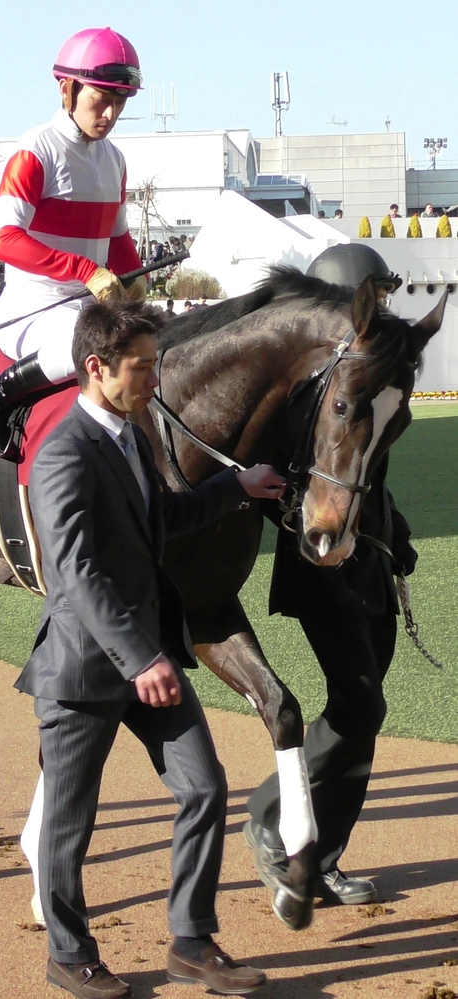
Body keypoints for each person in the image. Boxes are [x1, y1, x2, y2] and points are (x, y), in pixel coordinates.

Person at [20, 299, 286, 998]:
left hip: (149, 658)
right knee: (69, 822)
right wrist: (140, 658)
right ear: (96, 366)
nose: (152, 379)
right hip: (86, 667)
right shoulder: (62, 452)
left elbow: (163, 516)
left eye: (153, 364)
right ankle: (69, 954)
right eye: (140, 368)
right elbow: (75, 571)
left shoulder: (133, 439)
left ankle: (191, 942)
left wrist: (234, 486)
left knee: (204, 787)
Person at [244, 242, 415, 913]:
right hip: (322, 562)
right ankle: (270, 817)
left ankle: (322, 857)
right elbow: (284, 487)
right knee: (361, 705)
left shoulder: (366, 375)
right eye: (374, 295)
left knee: (364, 715)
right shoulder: (302, 393)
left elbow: (370, 473)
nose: (384, 308)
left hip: (373, 557)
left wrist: (396, 537)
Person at [0, 27, 148, 461]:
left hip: (90, 308)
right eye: (100, 99)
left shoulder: (114, 160)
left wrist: (135, 276)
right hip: (34, 309)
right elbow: (3, 239)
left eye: (120, 102)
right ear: (67, 90)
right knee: (95, 346)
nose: (110, 113)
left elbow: (116, 237)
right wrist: (85, 270)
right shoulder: (36, 150)